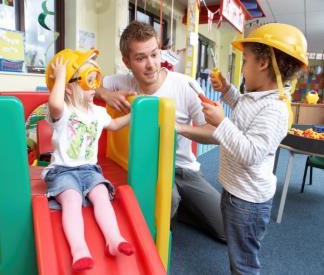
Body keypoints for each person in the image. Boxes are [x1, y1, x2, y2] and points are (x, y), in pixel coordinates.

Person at [178, 23, 308, 274]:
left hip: (248, 201)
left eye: (245, 60)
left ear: (262, 64)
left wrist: (221, 122)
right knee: (238, 250)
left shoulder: (275, 109)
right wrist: (227, 90)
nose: (243, 68)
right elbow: (243, 110)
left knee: (244, 262)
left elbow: (251, 153)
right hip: (236, 191)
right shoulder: (256, 96)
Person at [96, 20, 226, 242]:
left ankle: (183, 210)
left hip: (184, 170)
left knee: (226, 231)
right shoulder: (122, 81)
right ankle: (166, 221)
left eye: (154, 55)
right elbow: (82, 83)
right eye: (140, 58)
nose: (151, 65)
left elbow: (217, 134)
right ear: (127, 61)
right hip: (149, 168)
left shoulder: (185, 86)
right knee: (169, 199)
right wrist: (104, 93)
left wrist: (179, 128)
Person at [43, 48, 134, 272]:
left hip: (90, 171)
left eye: (96, 79)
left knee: (102, 195)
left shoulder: (97, 112)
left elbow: (113, 126)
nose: (94, 87)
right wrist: (61, 75)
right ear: (68, 87)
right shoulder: (63, 110)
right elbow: (54, 103)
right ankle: (79, 248)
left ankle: (113, 239)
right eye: (88, 81)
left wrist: (135, 113)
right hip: (63, 171)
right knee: (72, 199)